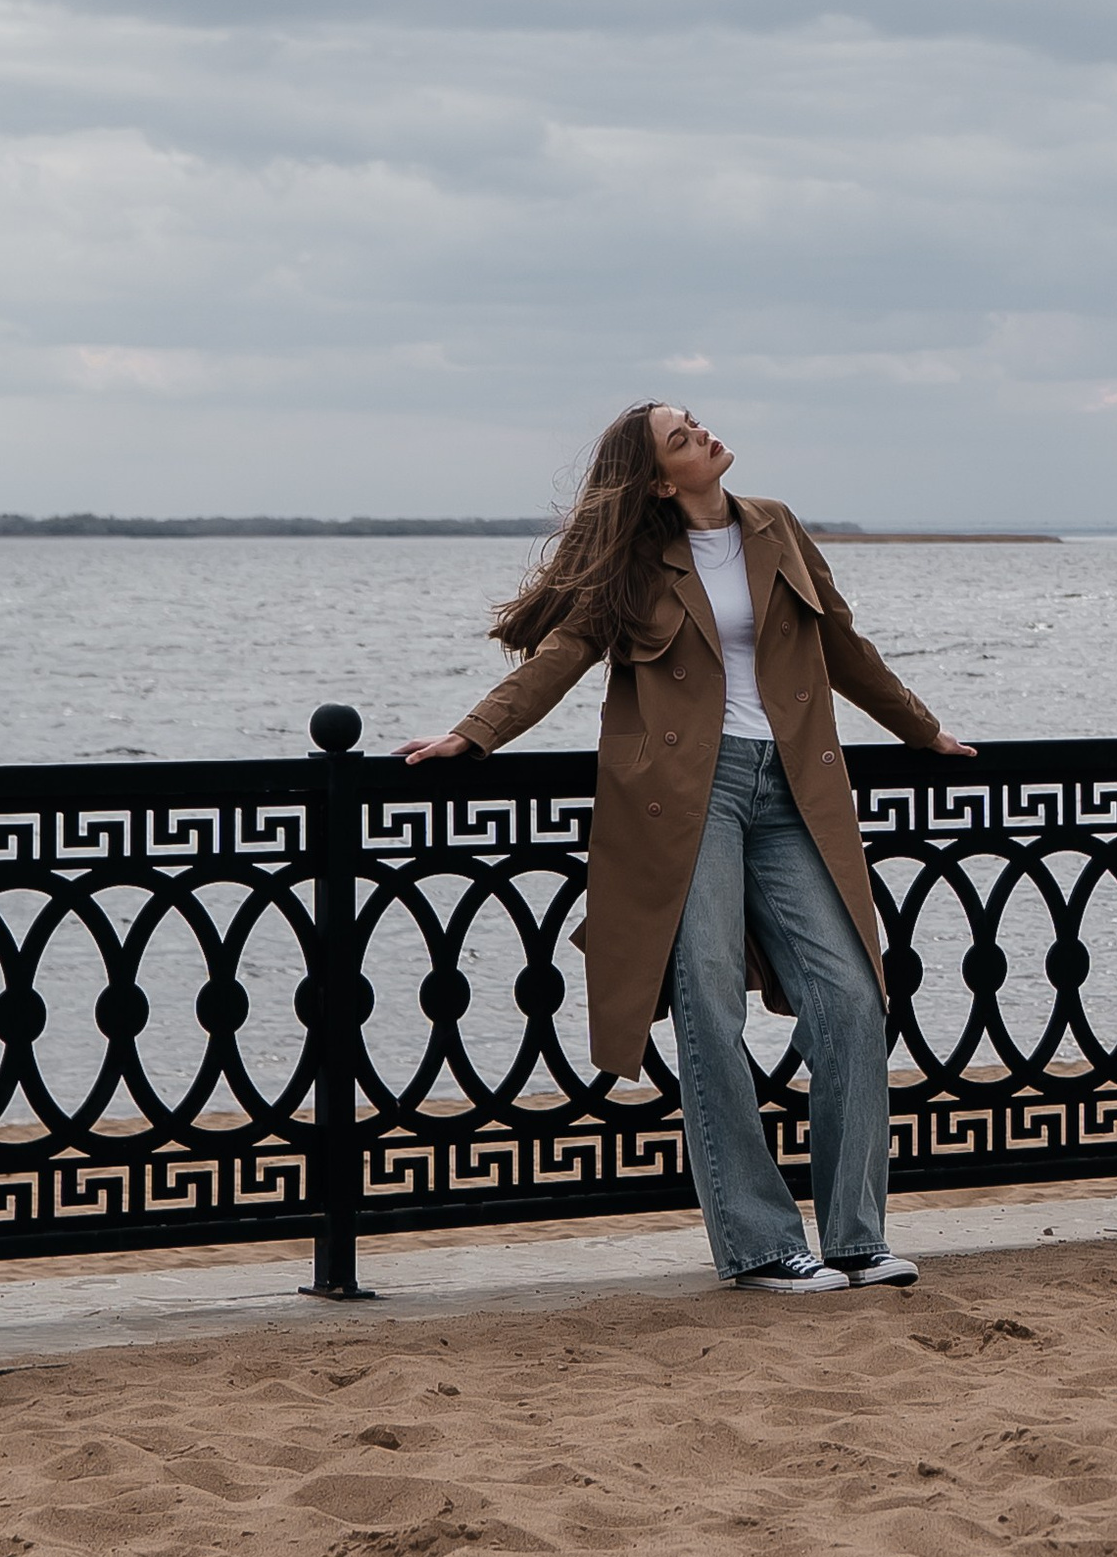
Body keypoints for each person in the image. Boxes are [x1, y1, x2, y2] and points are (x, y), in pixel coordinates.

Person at [402, 401, 976, 1297]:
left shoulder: (774, 526)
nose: (705, 434)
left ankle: (858, 1237)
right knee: (710, 1009)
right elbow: (557, 657)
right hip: (682, 799)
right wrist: (473, 735)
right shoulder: (635, 565)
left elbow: (841, 648)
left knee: (854, 996)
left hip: (794, 790)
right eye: (682, 437)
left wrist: (924, 733)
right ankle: (758, 1245)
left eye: (696, 424)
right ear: (663, 480)